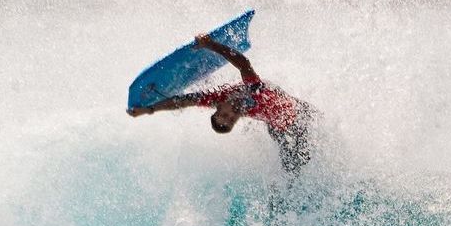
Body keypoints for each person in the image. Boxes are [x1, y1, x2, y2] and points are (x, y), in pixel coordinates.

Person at [127, 33, 318, 174]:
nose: (232, 115)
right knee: (294, 169)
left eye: (225, 115)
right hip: (286, 129)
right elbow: (243, 65)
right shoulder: (254, 95)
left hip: (300, 112)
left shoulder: (218, 97)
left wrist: (148, 109)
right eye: (232, 120)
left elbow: (182, 101)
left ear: (216, 109)